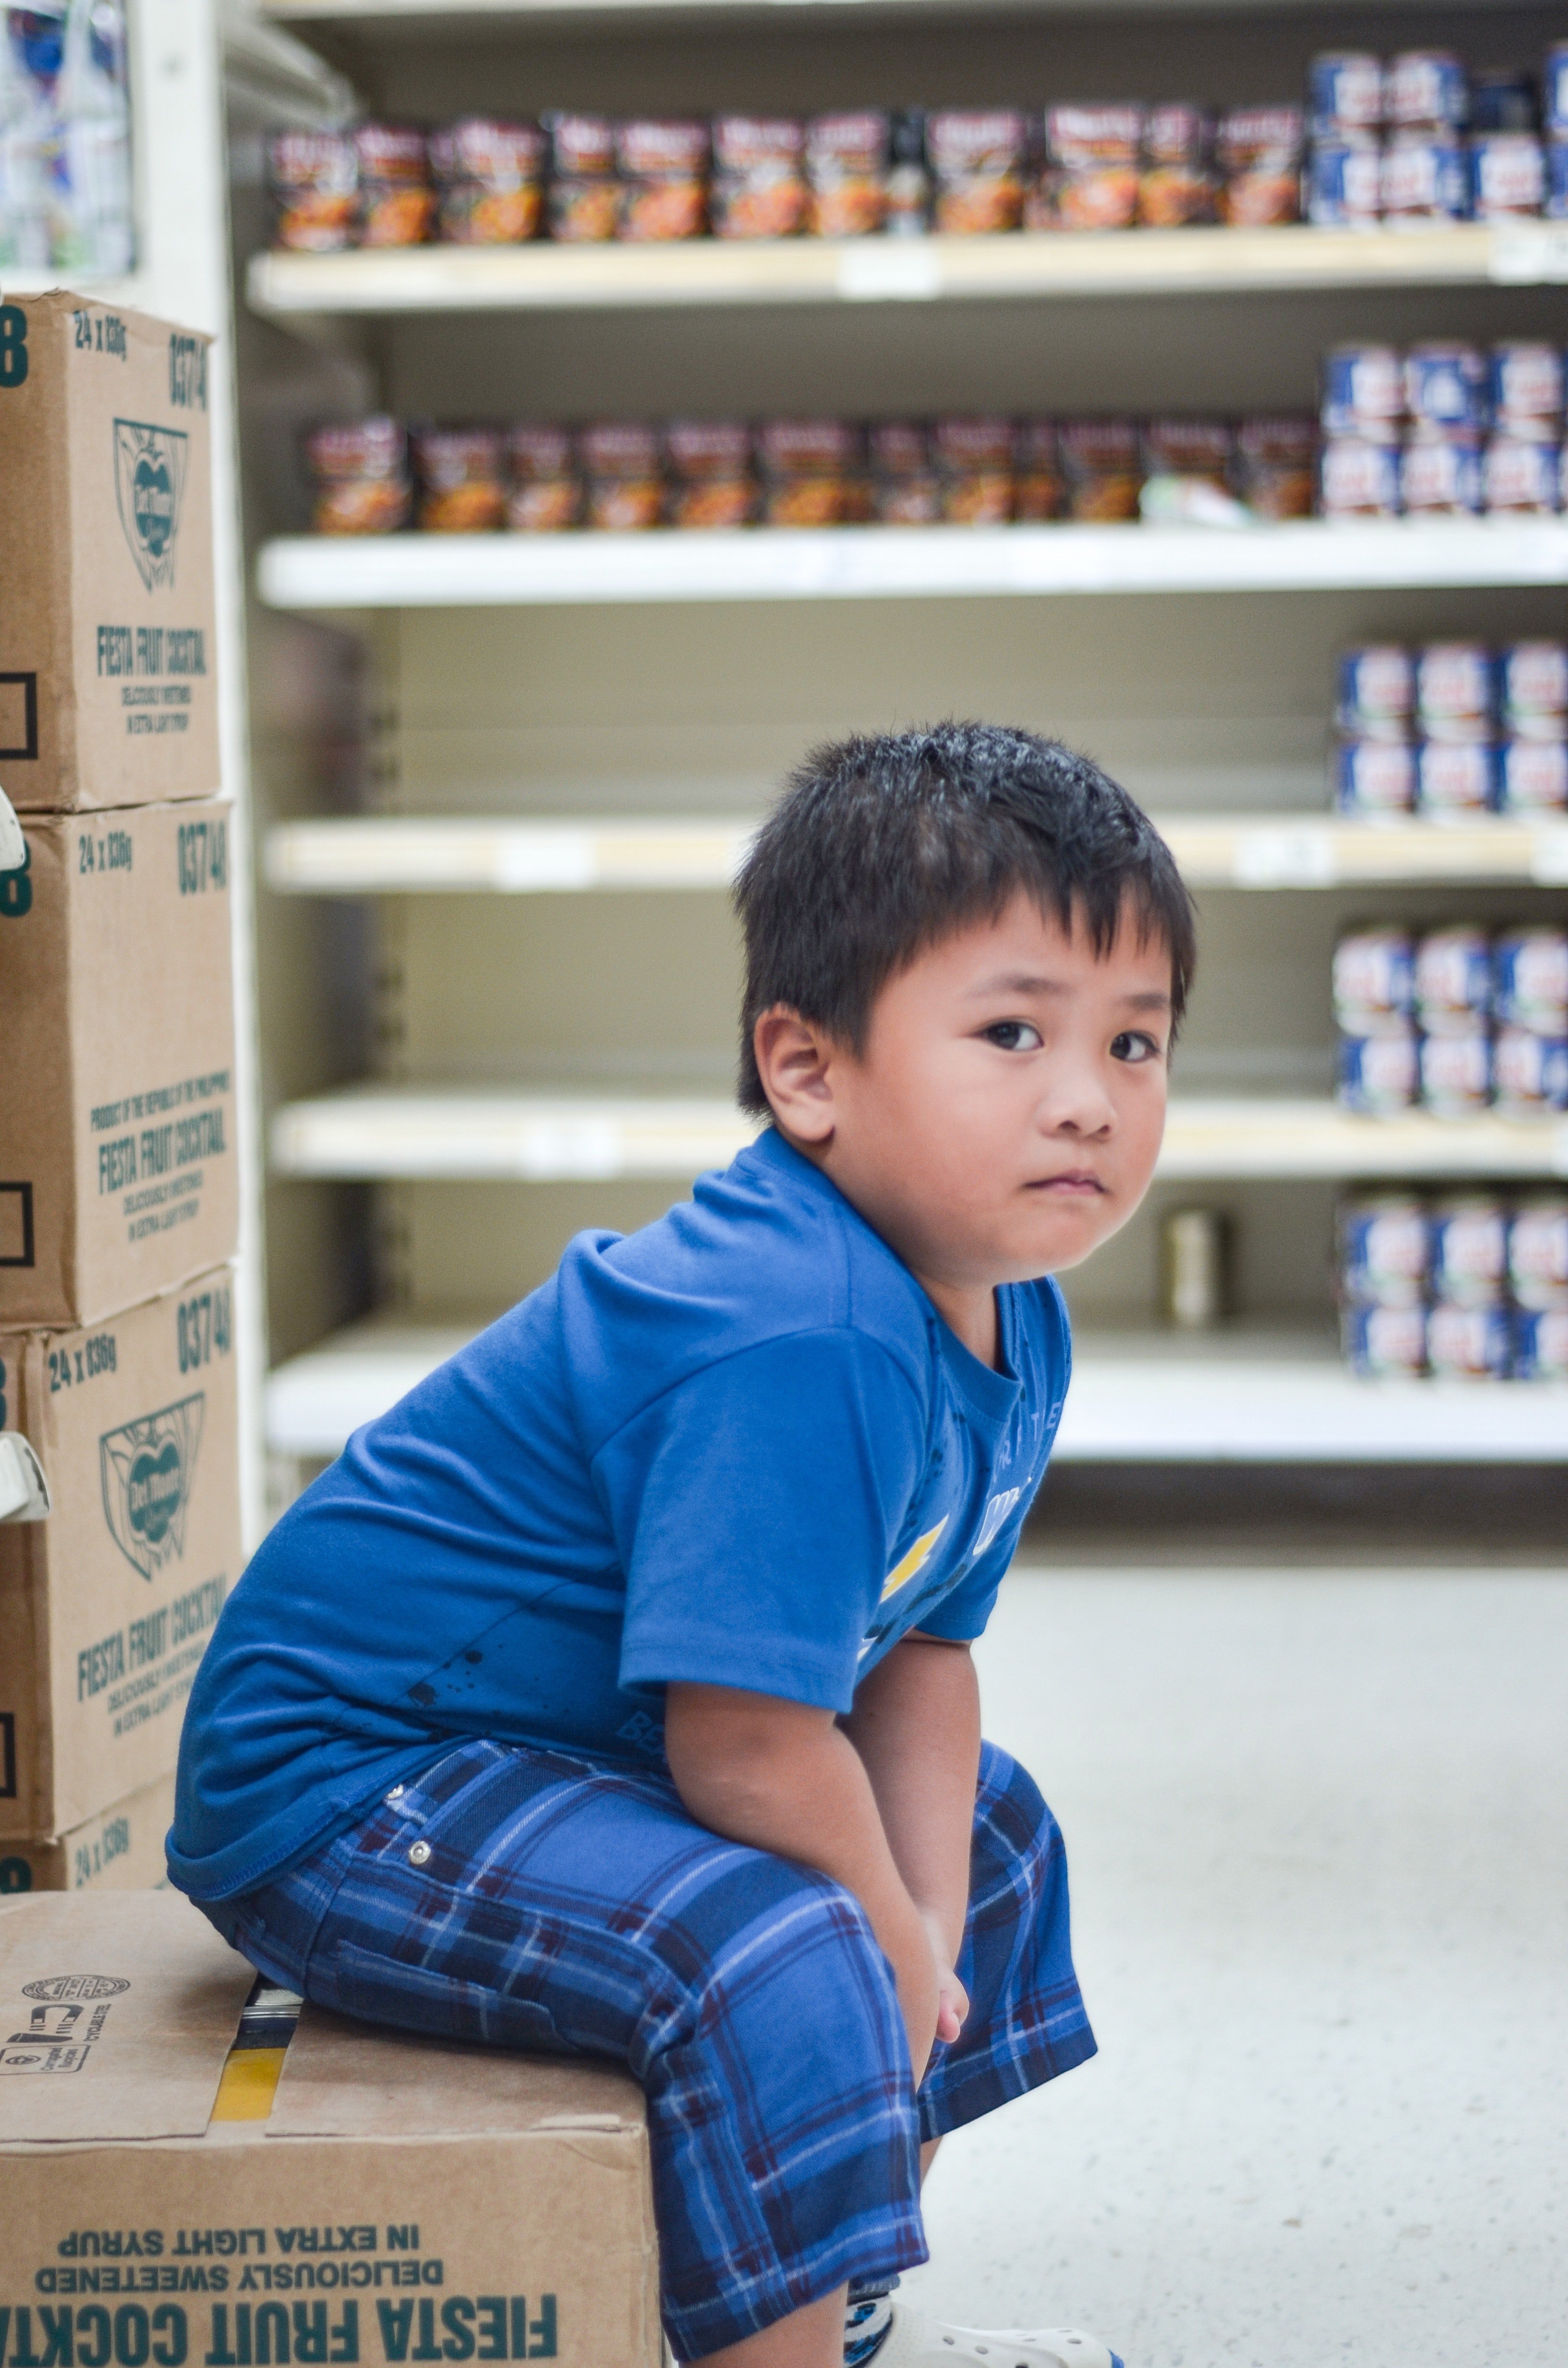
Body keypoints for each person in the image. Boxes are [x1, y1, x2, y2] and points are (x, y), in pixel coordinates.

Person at [169, 723, 1195, 2368]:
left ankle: (830, 2305)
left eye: (1135, 1046)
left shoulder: (1016, 1315)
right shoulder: (797, 1329)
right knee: (785, 1945)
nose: (1088, 1102)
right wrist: (876, 1930)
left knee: (987, 1843)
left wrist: (924, 1922)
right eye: (1012, 1032)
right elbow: (744, 1743)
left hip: (578, 1740)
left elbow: (923, 1646)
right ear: (807, 1072)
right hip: (357, 1785)